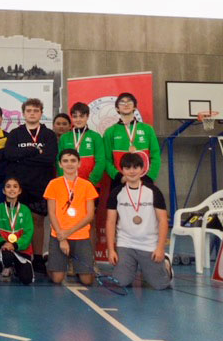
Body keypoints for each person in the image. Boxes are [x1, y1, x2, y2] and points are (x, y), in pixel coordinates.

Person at [3, 98, 57, 273]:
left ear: (41, 113)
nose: (32, 113)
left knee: (38, 221)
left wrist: (23, 158)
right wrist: (34, 150)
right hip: (20, 186)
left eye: (36, 110)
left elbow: (49, 158)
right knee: (16, 222)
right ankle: (17, 256)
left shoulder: (48, 134)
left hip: (41, 184)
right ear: (24, 113)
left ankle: (38, 258)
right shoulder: (15, 133)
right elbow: (9, 154)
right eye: (29, 111)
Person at [106, 153, 173, 290]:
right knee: (120, 282)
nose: (132, 171)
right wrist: (111, 250)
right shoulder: (116, 193)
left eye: (135, 167)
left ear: (142, 169)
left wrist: (160, 248)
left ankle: (165, 264)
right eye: (127, 168)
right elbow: (110, 222)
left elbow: (162, 220)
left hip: (149, 244)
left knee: (160, 285)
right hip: (126, 244)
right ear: (122, 170)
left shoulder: (153, 191)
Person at [43, 149, 98, 285]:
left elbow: (90, 215)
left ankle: (79, 265)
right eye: (65, 161)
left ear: (79, 163)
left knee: (87, 280)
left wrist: (68, 232)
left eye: (73, 161)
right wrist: (62, 237)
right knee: (57, 278)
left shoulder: (87, 185)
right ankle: (51, 262)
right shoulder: (53, 184)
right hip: (59, 235)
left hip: (80, 236)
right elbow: (52, 213)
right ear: (60, 164)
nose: (69, 164)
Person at [103, 92, 161, 189]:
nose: (126, 104)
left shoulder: (148, 129)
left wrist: (150, 177)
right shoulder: (110, 132)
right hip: (120, 180)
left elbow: (155, 155)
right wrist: (119, 177)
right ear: (117, 108)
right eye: (122, 102)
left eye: (129, 102)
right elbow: (106, 159)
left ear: (135, 107)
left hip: (144, 179)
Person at [0, 177, 34, 285]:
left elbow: (28, 233)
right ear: (3, 191)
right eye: (8, 186)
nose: (12, 189)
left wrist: (15, 245)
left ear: (19, 191)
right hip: (4, 248)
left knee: (27, 279)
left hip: (21, 249)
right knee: (7, 255)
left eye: (15, 187)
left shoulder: (25, 210)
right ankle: (6, 267)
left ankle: (15, 267)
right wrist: (3, 243)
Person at [58, 103, 105, 188]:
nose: (78, 119)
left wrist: (92, 181)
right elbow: (59, 160)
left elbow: (101, 161)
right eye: (75, 116)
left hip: (90, 183)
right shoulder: (64, 137)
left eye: (81, 116)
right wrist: (65, 180)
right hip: (69, 183)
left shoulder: (95, 136)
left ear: (87, 116)